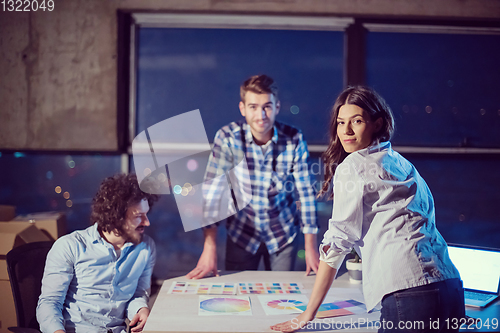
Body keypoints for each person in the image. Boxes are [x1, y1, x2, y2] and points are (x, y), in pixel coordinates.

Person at [271, 86, 465, 332]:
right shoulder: (401, 162)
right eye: (341, 122)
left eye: (357, 121)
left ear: (377, 123)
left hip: (408, 290)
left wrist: (307, 314)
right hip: (450, 286)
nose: (346, 131)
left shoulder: (353, 166)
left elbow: (338, 242)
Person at [187, 74, 319, 279]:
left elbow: (306, 194)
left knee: (283, 298)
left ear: (277, 107)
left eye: (267, 106)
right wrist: (209, 246)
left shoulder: (294, 138)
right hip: (242, 233)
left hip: (282, 234)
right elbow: (213, 194)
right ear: (242, 108)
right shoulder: (227, 138)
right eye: (253, 107)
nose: (261, 115)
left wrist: (311, 247)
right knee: (238, 297)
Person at [37, 173, 159, 333]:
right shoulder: (70, 246)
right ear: (116, 217)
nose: (147, 222)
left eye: (146, 214)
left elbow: (138, 293)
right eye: (138, 216)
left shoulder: (146, 247)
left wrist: (141, 308)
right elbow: (49, 304)